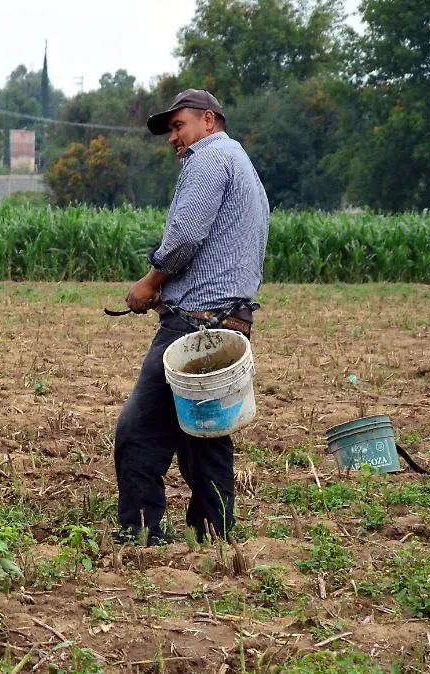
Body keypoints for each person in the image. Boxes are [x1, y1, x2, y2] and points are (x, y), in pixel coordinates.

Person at [114, 89, 270, 545]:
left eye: (178, 126)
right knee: (206, 432)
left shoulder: (207, 158)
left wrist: (149, 283)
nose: (173, 138)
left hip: (194, 325)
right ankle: (215, 533)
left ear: (207, 120)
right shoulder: (240, 161)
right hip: (231, 322)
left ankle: (140, 531)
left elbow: (184, 237)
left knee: (139, 427)